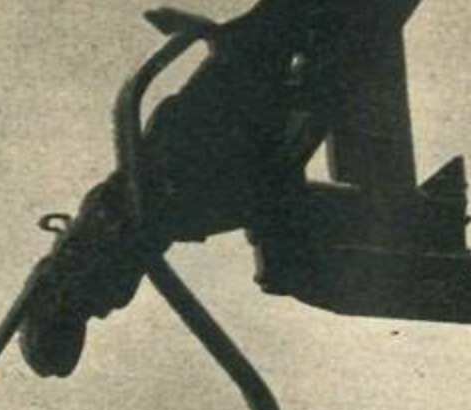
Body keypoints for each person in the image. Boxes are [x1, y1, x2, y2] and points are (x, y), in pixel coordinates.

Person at [19, 0, 358, 379]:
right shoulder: (94, 276)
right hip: (194, 181)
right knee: (239, 62)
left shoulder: (96, 273)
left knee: (228, 74)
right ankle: (224, 38)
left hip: (191, 177)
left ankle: (224, 38)